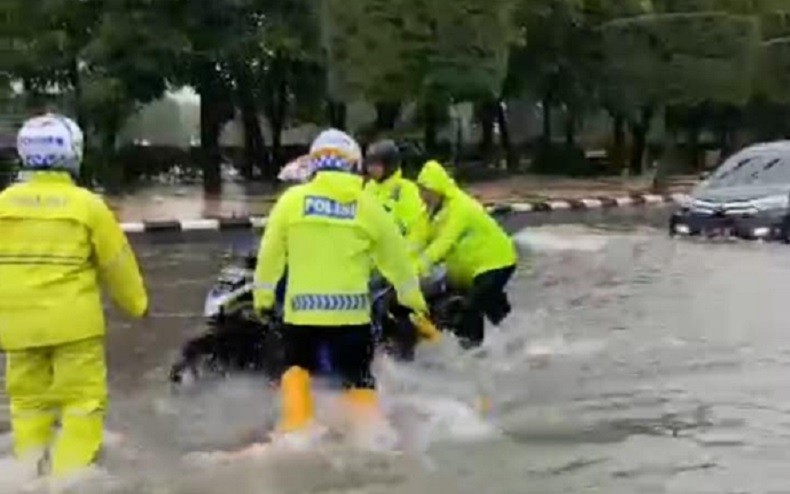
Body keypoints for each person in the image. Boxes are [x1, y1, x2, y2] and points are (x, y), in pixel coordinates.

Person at [252, 129, 429, 444]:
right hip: (351, 319)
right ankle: (372, 440)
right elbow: (397, 262)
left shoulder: (291, 202)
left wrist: (263, 299)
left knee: (296, 370)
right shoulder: (368, 206)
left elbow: (270, 257)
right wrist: (412, 300)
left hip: (302, 318)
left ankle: (295, 434)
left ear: (315, 164)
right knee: (358, 379)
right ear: (354, 166)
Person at [0, 114, 148, 477]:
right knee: (81, 404)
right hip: (74, 330)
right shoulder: (87, 206)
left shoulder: (2, 203)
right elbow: (118, 265)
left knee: (28, 405)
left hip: (16, 329)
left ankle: (28, 474)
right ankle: (69, 479)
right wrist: (137, 307)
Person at [415, 160, 517, 348]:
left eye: (426, 191)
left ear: (437, 189)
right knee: (494, 312)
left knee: (468, 307)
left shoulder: (460, 206)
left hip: (496, 262)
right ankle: (514, 342)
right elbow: (415, 242)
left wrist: (417, 267)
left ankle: (474, 353)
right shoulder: (428, 212)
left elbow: (444, 242)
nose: (422, 197)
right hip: (471, 270)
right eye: (420, 191)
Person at [363, 140, 429, 255]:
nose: (371, 169)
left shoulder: (406, 189)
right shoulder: (368, 188)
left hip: (400, 253)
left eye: (376, 165)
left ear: (389, 165)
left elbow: (409, 223)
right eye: (369, 164)